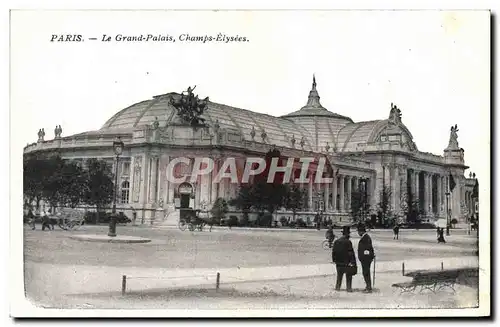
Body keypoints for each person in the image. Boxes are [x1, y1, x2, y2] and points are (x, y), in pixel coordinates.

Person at [332, 226, 357, 292]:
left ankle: (337, 288)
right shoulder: (348, 242)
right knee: (348, 276)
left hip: (339, 263)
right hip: (346, 263)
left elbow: (334, 252)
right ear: (347, 234)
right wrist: (353, 262)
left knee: (339, 277)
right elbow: (351, 253)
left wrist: (334, 260)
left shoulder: (336, 241)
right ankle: (348, 288)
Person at [357, 224, 375, 293]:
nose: (358, 233)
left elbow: (368, 249)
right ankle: (368, 286)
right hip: (365, 259)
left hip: (366, 259)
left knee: (366, 272)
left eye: (358, 231)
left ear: (361, 231)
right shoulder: (365, 237)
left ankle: (369, 287)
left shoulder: (366, 238)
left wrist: (364, 257)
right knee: (365, 272)